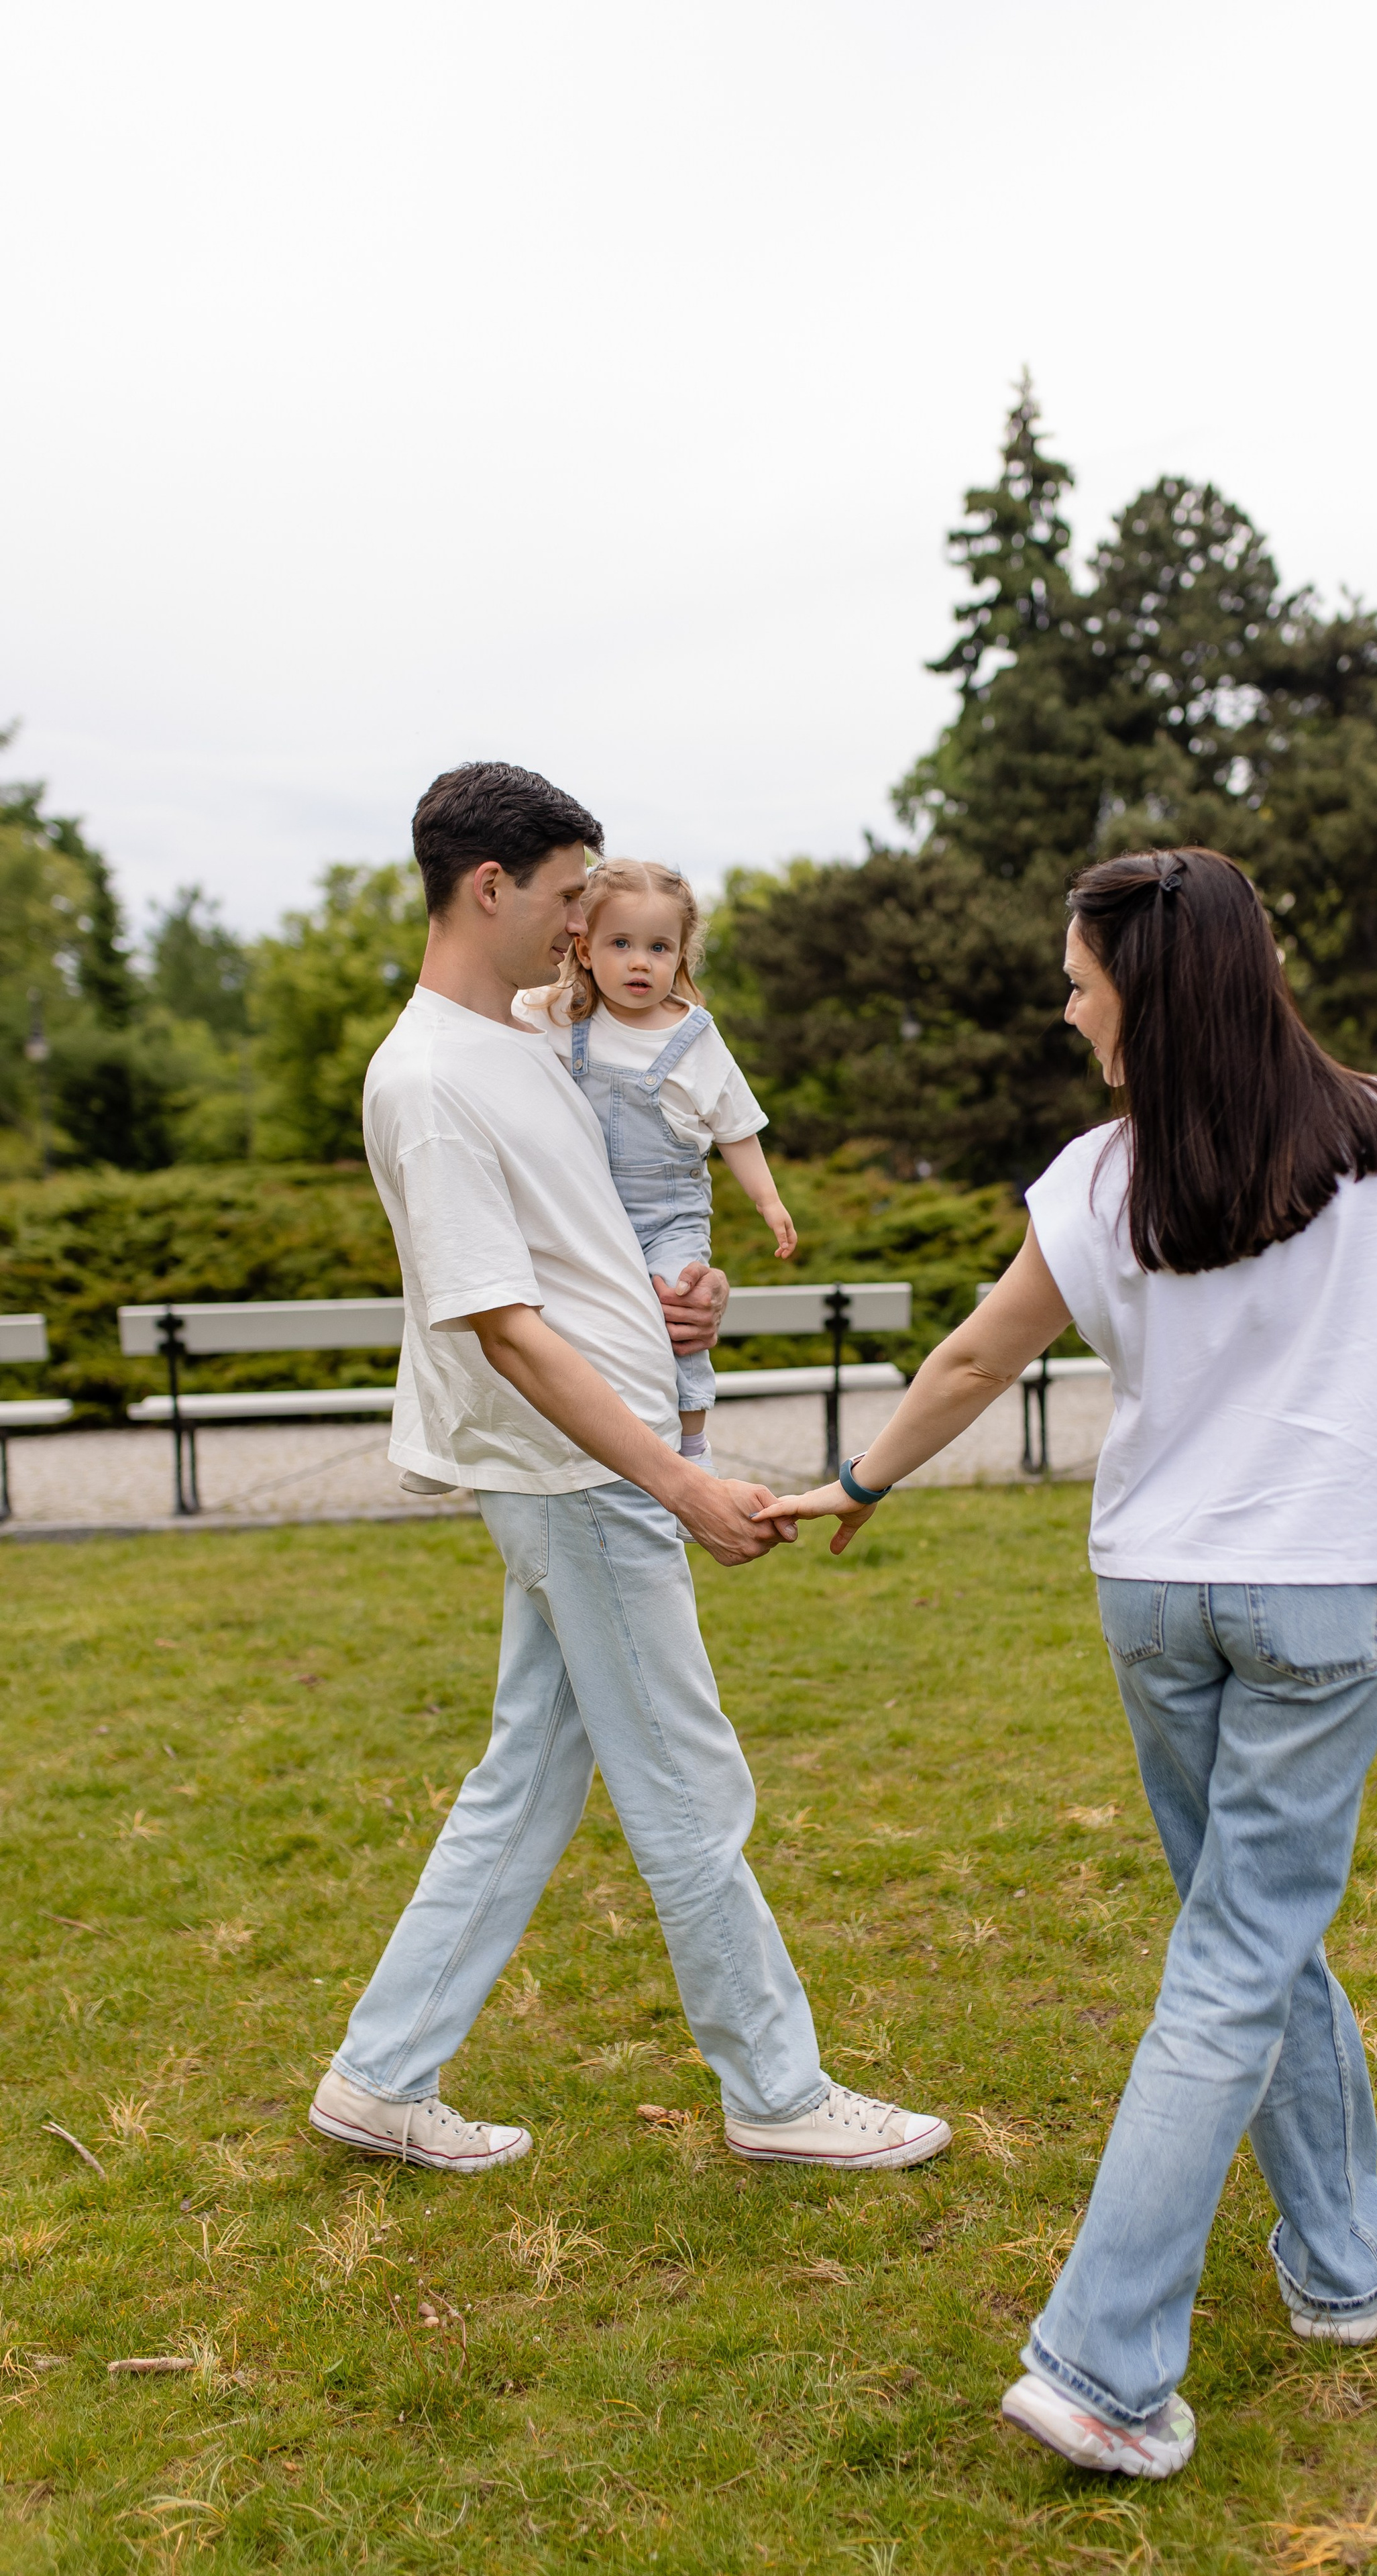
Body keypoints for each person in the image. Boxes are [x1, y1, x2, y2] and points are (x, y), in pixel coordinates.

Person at [763, 847, 1377, 2479]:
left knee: (1244, 1937)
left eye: (1079, 978)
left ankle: (1335, 2258)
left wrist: (865, 1476)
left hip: (1160, 1599)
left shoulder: (1102, 1181)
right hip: (1315, 1601)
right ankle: (1102, 2360)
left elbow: (978, 1350)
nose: (1065, 1001)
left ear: (1151, 994)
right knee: (1241, 1948)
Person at [309, 761, 950, 2180]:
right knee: (686, 1786)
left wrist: (682, 1304)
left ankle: (379, 2076)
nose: (581, 928)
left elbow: (585, 1242)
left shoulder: (531, 1037)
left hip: (598, 1453)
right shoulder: (426, 1079)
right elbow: (503, 1330)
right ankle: (776, 2093)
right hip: (579, 1471)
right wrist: (675, 1479)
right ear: (492, 887)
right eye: (562, 897)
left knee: (527, 1780)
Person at [513, 855, 797, 1469]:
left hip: (670, 1214)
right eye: (621, 943)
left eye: (659, 948)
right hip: (590, 1214)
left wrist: (769, 1203)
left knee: (680, 1309)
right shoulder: (560, 1013)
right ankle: (604, 1444)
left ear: (680, 958)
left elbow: (736, 1129)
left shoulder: (693, 1036)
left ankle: (692, 1444)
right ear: (585, 950)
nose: (641, 962)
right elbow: (494, 1011)